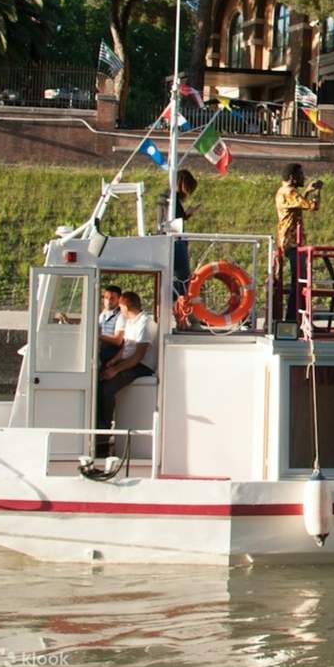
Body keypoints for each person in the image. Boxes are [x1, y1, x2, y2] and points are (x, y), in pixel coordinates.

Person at [96, 292, 157, 457]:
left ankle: (103, 434)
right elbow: (126, 348)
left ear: (125, 306)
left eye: (121, 307)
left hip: (142, 367)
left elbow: (138, 357)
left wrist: (115, 370)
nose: (119, 310)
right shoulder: (131, 321)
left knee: (107, 388)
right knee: (99, 380)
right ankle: (99, 426)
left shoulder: (145, 324)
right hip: (130, 361)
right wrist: (113, 362)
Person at [275, 163, 322, 322]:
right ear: (292, 177)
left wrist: (307, 191)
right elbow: (313, 206)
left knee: (299, 281)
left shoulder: (283, 191)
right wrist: (317, 192)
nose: (303, 177)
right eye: (301, 175)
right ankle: (292, 319)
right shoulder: (290, 192)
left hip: (288, 241)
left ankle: (296, 319)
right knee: (299, 282)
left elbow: (297, 204)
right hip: (292, 243)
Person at [158, 169, 198, 302]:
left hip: (171, 240)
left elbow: (172, 219)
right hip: (175, 242)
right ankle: (178, 304)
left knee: (178, 279)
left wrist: (186, 215)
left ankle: (176, 303)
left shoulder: (168, 198)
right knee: (181, 279)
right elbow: (172, 221)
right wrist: (185, 215)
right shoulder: (170, 199)